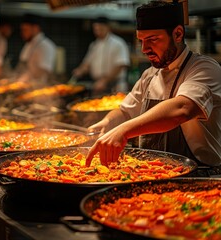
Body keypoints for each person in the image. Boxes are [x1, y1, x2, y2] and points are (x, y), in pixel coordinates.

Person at [86, 0, 221, 167]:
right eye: (141, 40)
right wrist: (104, 126)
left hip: (199, 178)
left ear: (178, 34)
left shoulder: (205, 68)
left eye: (152, 39)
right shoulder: (149, 75)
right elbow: (125, 113)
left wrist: (123, 130)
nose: (144, 48)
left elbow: (182, 109)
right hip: (153, 172)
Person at [72, 17, 130, 95]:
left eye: (100, 29)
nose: (98, 32)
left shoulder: (118, 43)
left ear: (107, 27)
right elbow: (87, 64)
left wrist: (104, 81)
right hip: (98, 86)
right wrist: (80, 70)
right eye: (96, 29)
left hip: (115, 86)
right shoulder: (94, 45)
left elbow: (120, 65)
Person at [16, 14, 56, 85]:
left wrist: (24, 80)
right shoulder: (28, 44)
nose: (22, 33)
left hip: (38, 88)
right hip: (25, 86)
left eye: (25, 30)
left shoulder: (45, 46)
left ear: (35, 28)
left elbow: (44, 71)